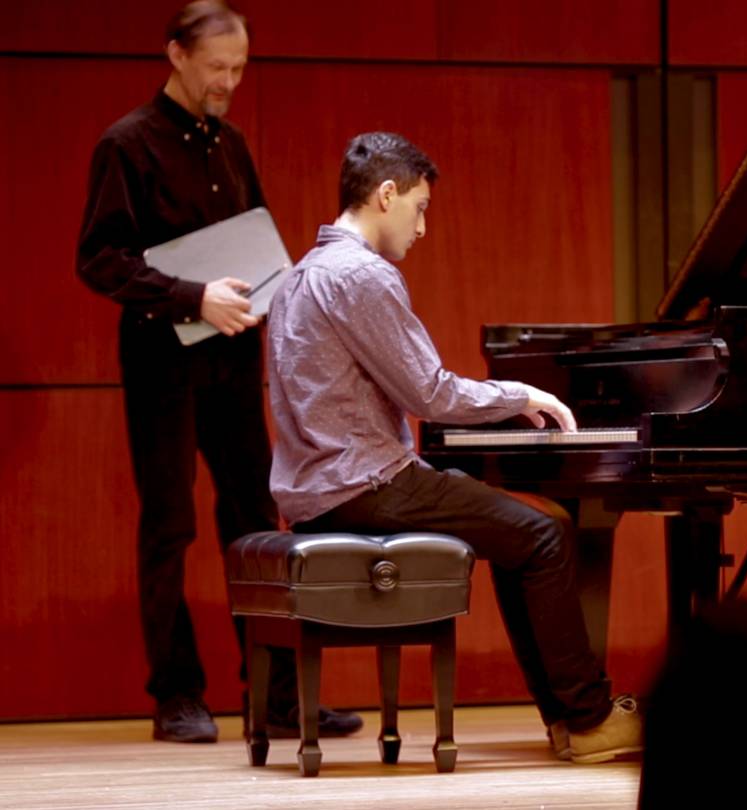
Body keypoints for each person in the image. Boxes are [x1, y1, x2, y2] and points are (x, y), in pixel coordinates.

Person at [266, 131, 643, 764]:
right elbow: (431, 394)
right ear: (386, 195)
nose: (422, 227)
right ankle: (587, 719)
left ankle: (571, 719)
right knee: (545, 538)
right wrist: (522, 395)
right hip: (367, 485)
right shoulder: (361, 275)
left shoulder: (301, 275)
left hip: (316, 490)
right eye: (419, 208)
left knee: (528, 533)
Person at [76, 0, 361, 743]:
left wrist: (277, 288)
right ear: (176, 55)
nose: (227, 82)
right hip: (163, 363)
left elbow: (256, 235)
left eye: (238, 69)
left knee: (255, 519)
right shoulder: (127, 144)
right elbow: (99, 259)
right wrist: (190, 295)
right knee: (169, 525)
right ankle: (176, 696)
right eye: (215, 68)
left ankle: (275, 698)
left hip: (235, 359)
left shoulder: (230, 143)